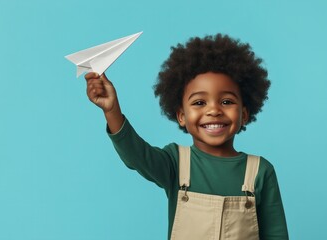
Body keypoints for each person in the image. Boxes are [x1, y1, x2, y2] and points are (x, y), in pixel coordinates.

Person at [85, 34, 289, 240]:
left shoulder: (260, 171)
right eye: (199, 102)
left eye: (226, 101)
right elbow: (136, 156)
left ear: (244, 114)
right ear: (182, 116)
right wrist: (112, 110)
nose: (214, 110)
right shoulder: (176, 163)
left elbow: (276, 234)